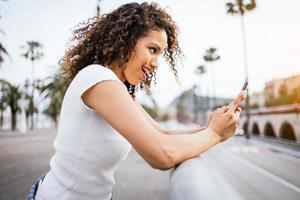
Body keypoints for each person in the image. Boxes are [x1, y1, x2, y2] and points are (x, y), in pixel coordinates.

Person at [31, 2, 246, 200]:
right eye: (152, 49)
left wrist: (212, 125)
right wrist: (216, 134)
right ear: (125, 40)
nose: (156, 63)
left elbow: (163, 133)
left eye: (160, 54)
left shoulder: (119, 89)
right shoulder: (97, 78)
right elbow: (162, 154)